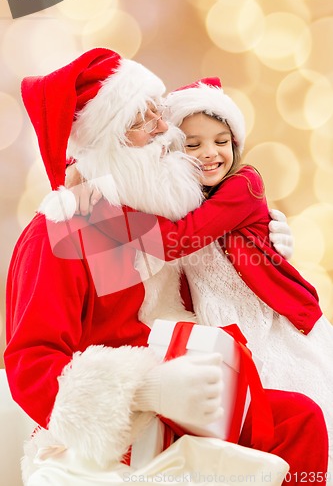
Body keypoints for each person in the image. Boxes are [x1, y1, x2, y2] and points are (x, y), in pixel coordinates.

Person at [4, 48, 328, 485]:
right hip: (121, 428)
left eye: (160, 112)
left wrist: (266, 237)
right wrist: (146, 391)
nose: (166, 130)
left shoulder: (141, 214)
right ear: (107, 141)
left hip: (192, 389)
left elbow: (206, 240)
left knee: (301, 418)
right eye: (143, 120)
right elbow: (32, 362)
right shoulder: (62, 232)